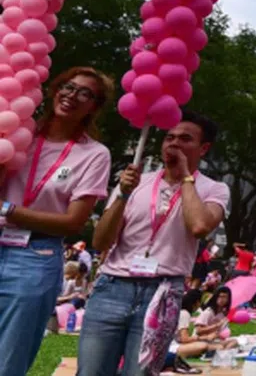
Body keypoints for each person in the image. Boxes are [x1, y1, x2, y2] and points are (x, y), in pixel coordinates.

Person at [77, 111, 230, 376]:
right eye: (169, 137)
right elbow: (101, 240)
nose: (174, 144)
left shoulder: (214, 189)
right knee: (91, 371)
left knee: (140, 372)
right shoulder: (136, 181)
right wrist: (123, 193)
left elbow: (199, 226)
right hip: (113, 287)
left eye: (185, 139)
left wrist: (185, 177)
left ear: (204, 148)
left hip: (162, 292)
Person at [0, 66, 114, 376]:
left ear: (94, 107)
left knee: (9, 358)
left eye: (85, 93)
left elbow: (72, 222)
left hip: (34, 258)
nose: (71, 95)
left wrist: (7, 209)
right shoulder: (17, 131)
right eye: (67, 86)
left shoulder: (94, 155)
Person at [167, 288, 237, 373]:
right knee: (206, 346)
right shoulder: (186, 314)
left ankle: (221, 355)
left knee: (232, 342)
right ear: (196, 302)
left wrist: (218, 333)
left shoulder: (223, 313)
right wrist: (209, 334)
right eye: (220, 296)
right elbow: (185, 338)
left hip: (189, 342)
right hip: (175, 347)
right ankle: (209, 355)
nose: (222, 300)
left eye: (225, 297)